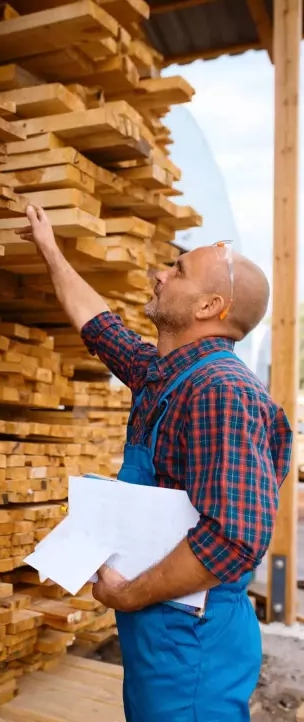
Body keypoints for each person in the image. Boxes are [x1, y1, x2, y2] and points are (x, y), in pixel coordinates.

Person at [18, 205, 292, 722]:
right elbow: (98, 325)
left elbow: (235, 540)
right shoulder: (165, 376)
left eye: (179, 269)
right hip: (162, 634)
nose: (159, 273)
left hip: (193, 644)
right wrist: (49, 249)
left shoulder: (221, 392)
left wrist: (128, 594)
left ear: (211, 305)